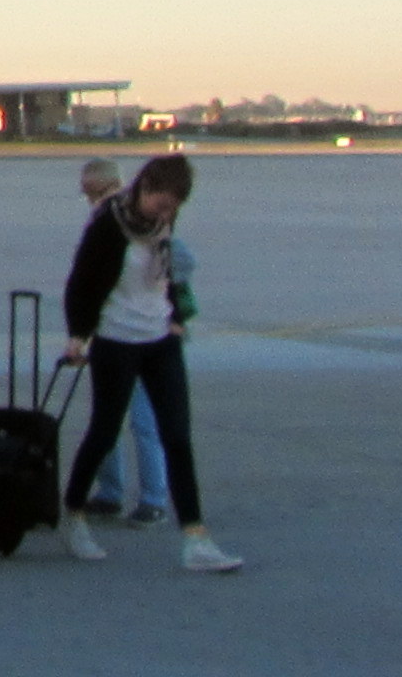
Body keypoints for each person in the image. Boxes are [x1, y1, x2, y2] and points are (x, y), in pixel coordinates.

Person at [58, 152, 240, 573]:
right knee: (104, 431)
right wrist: (78, 336)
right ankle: (73, 515)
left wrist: (175, 317)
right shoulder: (108, 224)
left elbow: (168, 271)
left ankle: (196, 538)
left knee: (177, 435)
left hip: (160, 339)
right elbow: (80, 283)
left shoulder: (162, 221)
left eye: (174, 207)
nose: (167, 213)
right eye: (162, 203)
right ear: (145, 188)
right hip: (116, 338)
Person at [75, 157, 172, 523]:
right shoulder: (117, 220)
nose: (91, 202)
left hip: (138, 332)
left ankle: (152, 497)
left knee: (139, 420)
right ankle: (113, 492)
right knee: (110, 420)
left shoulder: (126, 223)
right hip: (115, 329)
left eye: (92, 194)